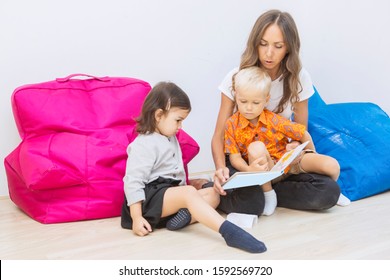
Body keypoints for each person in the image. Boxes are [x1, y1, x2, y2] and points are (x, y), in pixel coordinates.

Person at [211, 9, 348, 216]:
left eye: (278, 46)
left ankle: (268, 192)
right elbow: (219, 136)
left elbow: (300, 130)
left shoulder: (298, 77)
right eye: (263, 44)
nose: (268, 53)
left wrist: (298, 149)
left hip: (280, 158)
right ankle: (262, 192)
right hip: (246, 161)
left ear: (289, 48)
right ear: (255, 43)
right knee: (249, 202)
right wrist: (221, 168)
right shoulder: (237, 77)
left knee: (328, 191)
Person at [121, 81, 267, 253]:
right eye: (178, 120)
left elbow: (173, 174)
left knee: (214, 194)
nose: (180, 126)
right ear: (158, 115)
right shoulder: (144, 144)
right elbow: (133, 182)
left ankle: (182, 217)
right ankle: (229, 232)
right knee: (189, 193)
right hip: (147, 202)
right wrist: (137, 217)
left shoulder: (169, 137)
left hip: (166, 199)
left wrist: (190, 184)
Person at [225, 66, 350, 216]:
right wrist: (248, 170)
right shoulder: (232, 124)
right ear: (236, 96)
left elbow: (302, 133)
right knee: (256, 147)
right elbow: (234, 157)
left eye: (255, 103)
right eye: (243, 101)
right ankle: (269, 194)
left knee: (331, 165)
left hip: (287, 163)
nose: (249, 108)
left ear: (266, 100)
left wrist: (310, 153)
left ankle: (336, 191)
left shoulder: (273, 119)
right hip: (266, 171)